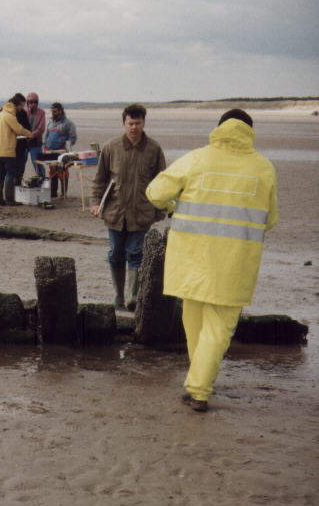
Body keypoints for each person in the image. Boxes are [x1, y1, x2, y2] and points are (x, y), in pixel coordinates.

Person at [146, 109, 277, 412]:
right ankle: (199, 389)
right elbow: (269, 219)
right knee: (218, 329)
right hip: (234, 264)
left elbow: (155, 192)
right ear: (250, 132)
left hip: (191, 260)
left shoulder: (197, 159)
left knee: (193, 323)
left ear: (218, 129)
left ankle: (198, 379)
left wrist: (172, 205)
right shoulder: (264, 169)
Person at [90, 103, 166, 310]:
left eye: (138, 123)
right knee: (115, 253)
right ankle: (118, 297)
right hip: (115, 213)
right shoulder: (110, 148)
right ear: (124, 124)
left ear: (143, 123)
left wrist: (161, 210)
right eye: (130, 123)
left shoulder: (154, 149)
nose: (134, 127)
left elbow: (162, 182)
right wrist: (96, 203)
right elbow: (99, 180)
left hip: (141, 213)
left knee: (135, 253)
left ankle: (132, 298)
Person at [0, 93, 35, 206]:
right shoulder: (9, 116)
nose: (22, 108)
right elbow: (19, 129)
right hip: (8, 150)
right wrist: (30, 134)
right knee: (10, 174)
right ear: (15, 105)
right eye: (21, 106)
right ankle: (10, 199)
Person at [24, 92, 46, 178]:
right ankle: (17, 185)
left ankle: (43, 182)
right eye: (31, 102)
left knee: (38, 164)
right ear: (27, 102)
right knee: (20, 165)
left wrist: (31, 135)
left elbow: (41, 128)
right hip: (24, 143)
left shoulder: (41, 112)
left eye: (35, 102)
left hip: (36, 143)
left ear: (37, 102)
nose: (33, 104)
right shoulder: (23, 112)